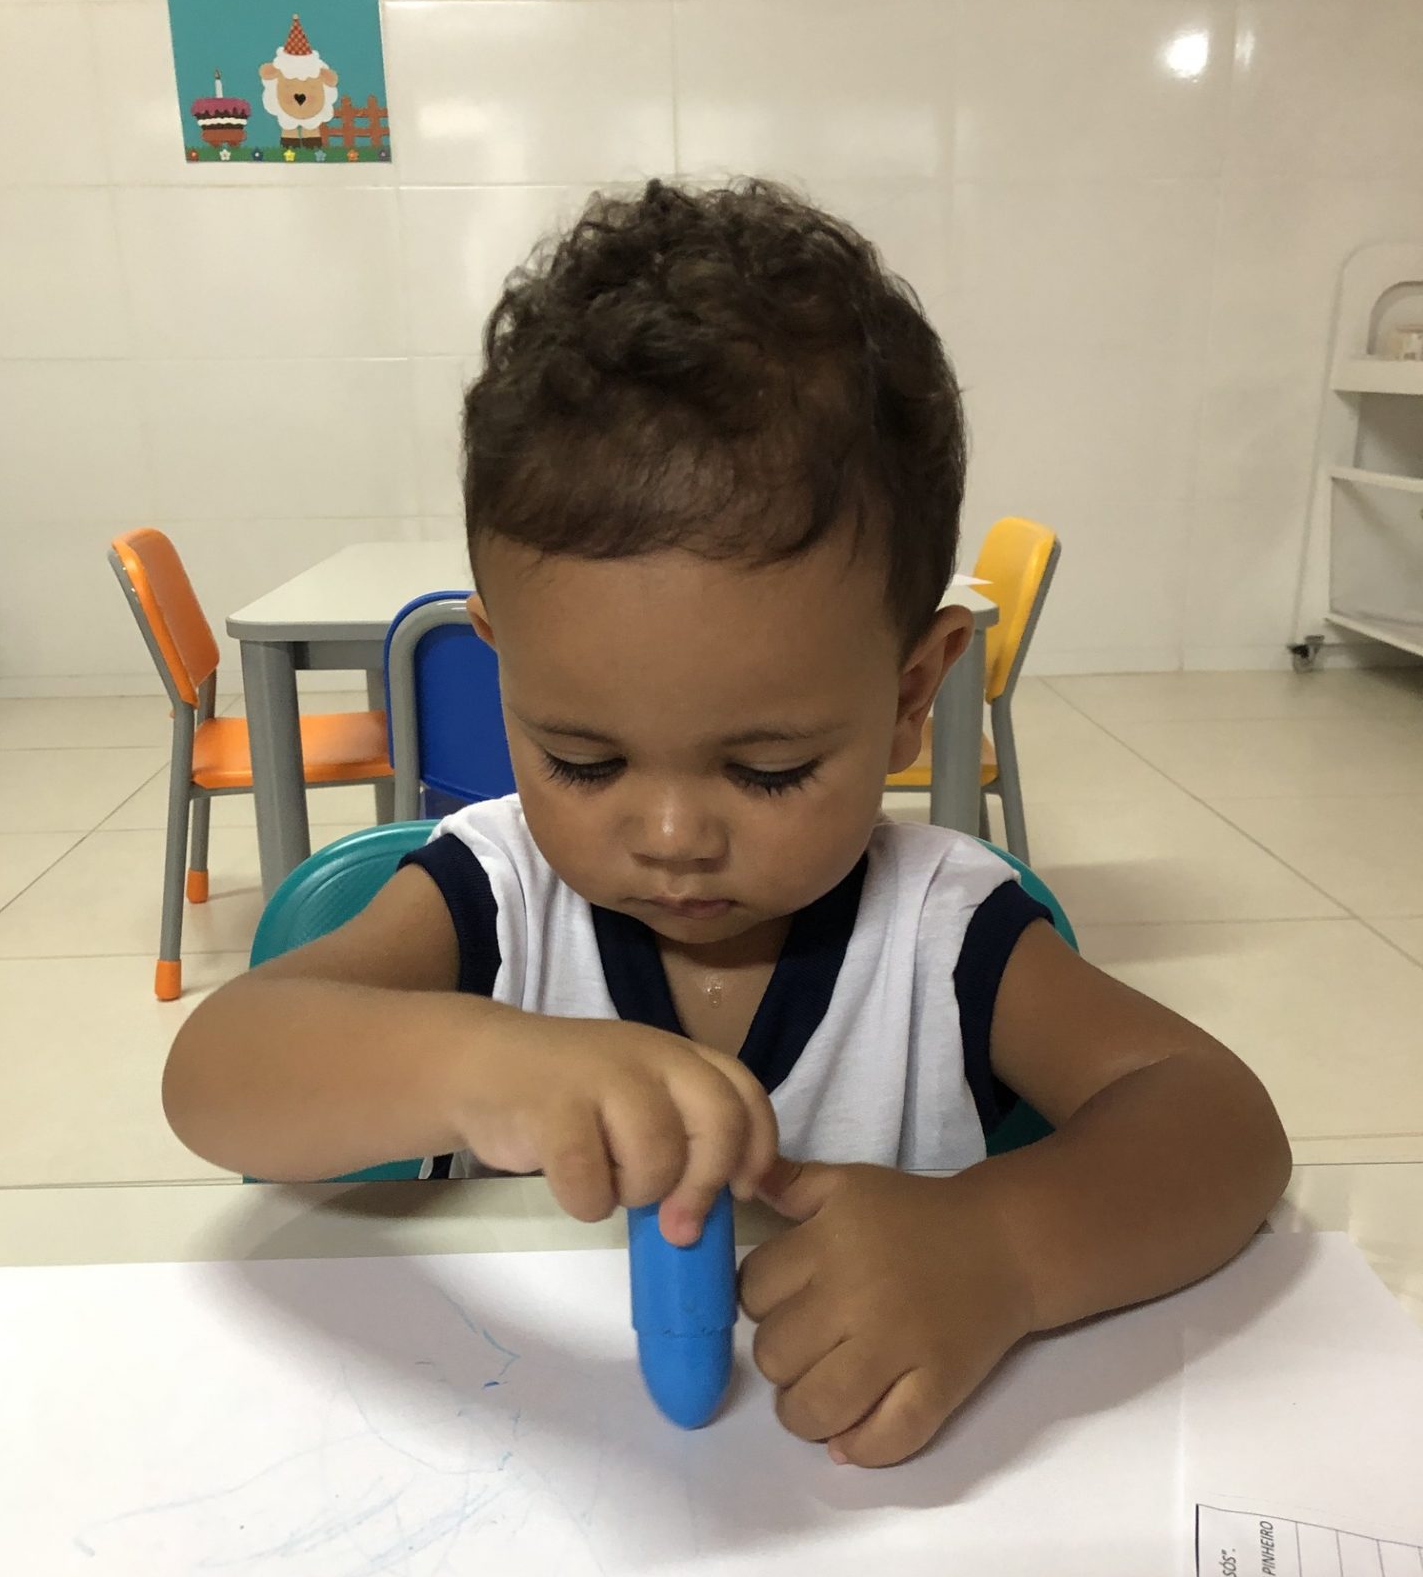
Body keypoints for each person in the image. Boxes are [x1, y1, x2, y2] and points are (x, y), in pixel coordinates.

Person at [165, 178, 1290, 1468]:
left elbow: (1220, 1121)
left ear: (912, 695)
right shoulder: (499, 899)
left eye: (766, 770)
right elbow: (218, 1077)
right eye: (583, 759)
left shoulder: (941, 933)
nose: (669, 836)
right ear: (501, 668)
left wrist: (1001, 1249)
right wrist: (480, 1068)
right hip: (523, 1482)